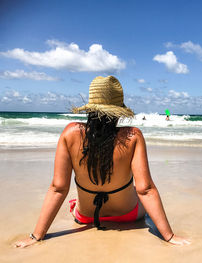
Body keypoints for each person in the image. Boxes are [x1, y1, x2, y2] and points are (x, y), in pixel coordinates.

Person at [14, 76, 190, 248]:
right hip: (128, 215)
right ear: (119, 109)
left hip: (85, 217)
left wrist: (36, 236)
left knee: (78, 200)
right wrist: (169, 236)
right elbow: (146, 190)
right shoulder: (133, 136)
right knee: (136, 190)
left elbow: (58, 188)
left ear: (91, 107)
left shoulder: (70, 133)